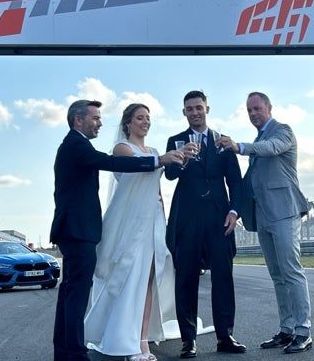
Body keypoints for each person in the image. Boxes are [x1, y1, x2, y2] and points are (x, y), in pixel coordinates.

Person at [50, 99, 183, 361]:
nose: (100, 123)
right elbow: (112, 163)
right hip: (77, 231)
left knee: (70, 294)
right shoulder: (76, 145)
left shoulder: (75, 144)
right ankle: (74, 354)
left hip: (76, 230)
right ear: (79, 120)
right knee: (75, 294)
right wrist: (158, 160)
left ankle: (65, 351)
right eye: (95, 118)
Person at [218, 91, 313, 354]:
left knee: (292, 271)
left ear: (269, 108)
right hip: (263, 216)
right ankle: (287, 329)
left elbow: (272, 149)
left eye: (257, 109)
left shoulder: (282, 131)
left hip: (284, 212)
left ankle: (303, 331)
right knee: (277, 275)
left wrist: (240, 147)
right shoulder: (260, 137)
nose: (253, 114)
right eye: (249, 111)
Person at [165, 90, 246, 358]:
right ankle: (188, 340)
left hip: (219, 218)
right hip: (187, 219)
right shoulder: (175, 141)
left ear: (207, 109)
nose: (195, 112)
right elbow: (170, 174)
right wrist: (183, 158)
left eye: (199, 107)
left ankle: (225, 336)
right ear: (184, 112)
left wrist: (234, 211)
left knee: (223, 277)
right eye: (189, 109)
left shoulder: (223, 143)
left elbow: (235, 181)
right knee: (186, 278)